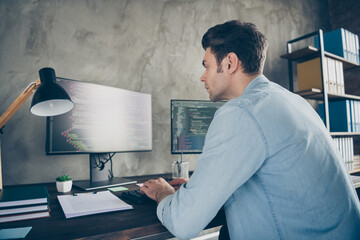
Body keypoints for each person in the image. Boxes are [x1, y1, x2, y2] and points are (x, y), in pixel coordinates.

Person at [140, 20, 360, 239]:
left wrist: (163, 193)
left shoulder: (240, 112)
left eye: (206, 65)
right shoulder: (294, 101)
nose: (202, 76)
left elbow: (182, 222)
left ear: (230, 63)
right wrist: (201, 188)